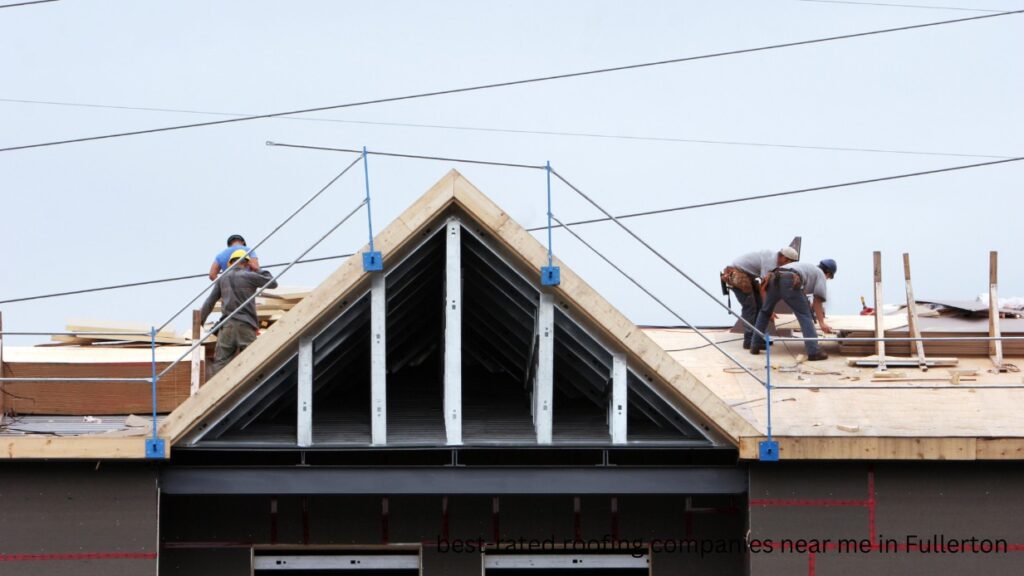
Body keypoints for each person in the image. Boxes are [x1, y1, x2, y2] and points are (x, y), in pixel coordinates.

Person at [200, 249, 278, 374]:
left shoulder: (222, 279)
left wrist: (200, 321)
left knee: (220, 363)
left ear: (231, 263)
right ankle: (254, 389)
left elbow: (210, 301)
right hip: (245, 325)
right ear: (247, 263)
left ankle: (217, 390)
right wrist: (257, 269)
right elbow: (273, 283)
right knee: (253, 362)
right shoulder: (249, 276)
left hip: (227, 327)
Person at [750, 258, 837, 361]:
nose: (827, 279)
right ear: (828, 273)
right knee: (805, 316)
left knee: (765, 311)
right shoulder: (820, 274)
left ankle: (755, 344)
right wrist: (822, 323)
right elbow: (818, 300)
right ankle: (814, 352)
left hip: (774, 276)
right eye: (829, 277)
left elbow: (802, 293)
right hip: (789, 279)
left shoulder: (808, 268)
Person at [722, 246, 799, 349]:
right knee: (750, 307)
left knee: (759, 306)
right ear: (784, 258)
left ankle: (756, 339)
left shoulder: (774, 259)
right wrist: (769, 309)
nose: (788, 265)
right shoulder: (771, 262)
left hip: (747, 275)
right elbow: (764, 287)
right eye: (789, 262)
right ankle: (749, 340)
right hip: (737, 274)